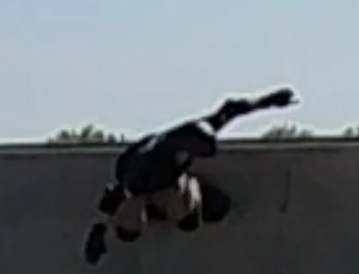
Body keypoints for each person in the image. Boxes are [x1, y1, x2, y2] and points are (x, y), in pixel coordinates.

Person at [83, 87, 298, 264]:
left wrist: (269, 101)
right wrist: (99, 233)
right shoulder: (148, 167)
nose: (190, 156)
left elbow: (231, 109)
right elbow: (112, 198)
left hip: (165, 182)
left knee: (188, 220)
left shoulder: (193, 132)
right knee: (128, 231)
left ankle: (190, 197)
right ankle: (153, 209)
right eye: (189, 153)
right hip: (138, 181)